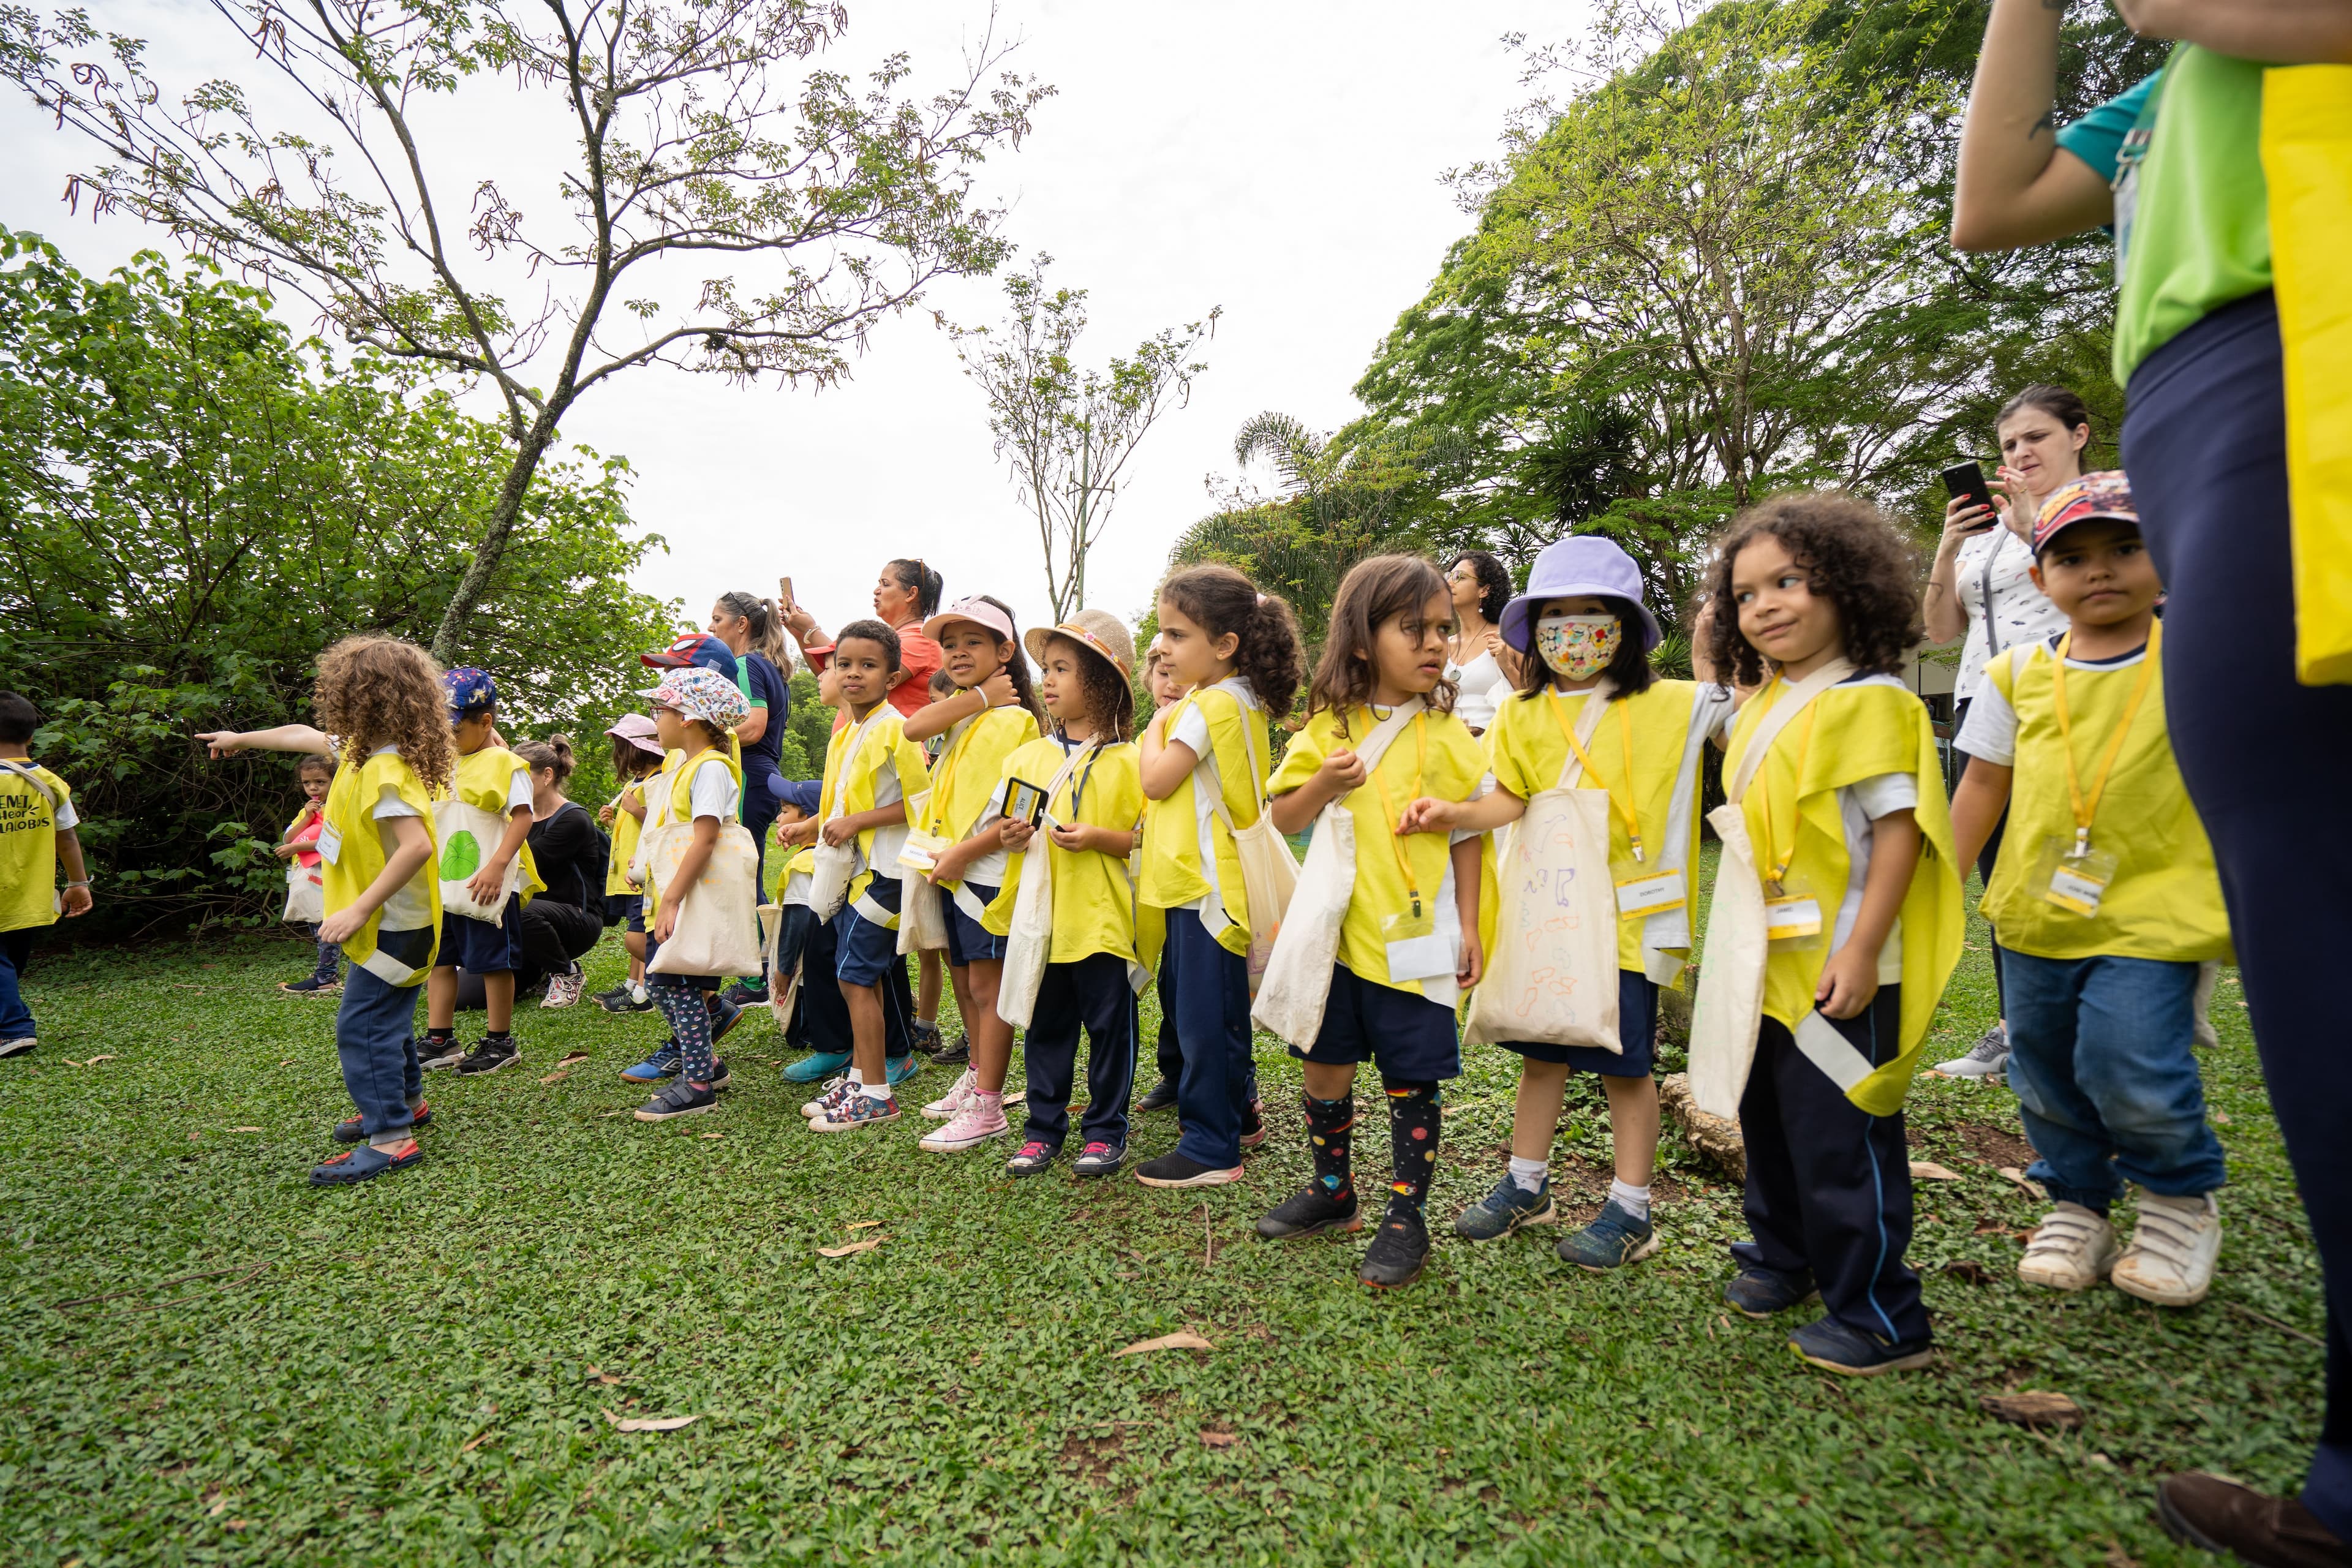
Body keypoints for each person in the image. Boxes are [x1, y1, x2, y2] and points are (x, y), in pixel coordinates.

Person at [1954, 4, 2352, 1551]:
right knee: (2301, 899)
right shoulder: (2171, 90)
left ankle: (2180, 1209)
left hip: (2301, 332)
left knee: (2298, 898)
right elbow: (1991, 201)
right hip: (2204, 395)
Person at [1697, 493, 1964, 1376]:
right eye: (1745, 594)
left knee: (1843, 1141)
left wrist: (1859, 949)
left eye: (1790, 581)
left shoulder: (1875, 702)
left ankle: (1885, 1316)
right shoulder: (1765, 702)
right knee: (1768, 1125)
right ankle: (1783, 1259)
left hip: (1843, 969)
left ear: (1847, 584)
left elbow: (1900, 833)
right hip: (1766, 963)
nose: (1765, 605)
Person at [1949, 474, 2230, 1305]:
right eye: (2072, 557)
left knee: (2130, 1059)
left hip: (2157, 912)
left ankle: (2179, 1198)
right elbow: (1980, 789)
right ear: (2041, 579)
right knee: (2042, 1070)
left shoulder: (2200, 657)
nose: (2099, 571)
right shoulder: (2014, 675)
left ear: (2165, 560)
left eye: (2124, 548)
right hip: (2034, 912)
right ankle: (2078, 1201)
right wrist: (1938, 891)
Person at [1417, 537, 1733, 1268]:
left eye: (1593, 612)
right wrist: (1453, 813)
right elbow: (1507, 799)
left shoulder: (1668, 704)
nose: (1573, 629)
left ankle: (1631, 1208)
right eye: (1556, 614)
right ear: (1534, 627)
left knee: (1626, 1066)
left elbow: (1735, 718)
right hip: (1549, 919)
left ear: (1624, 625)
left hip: (1627, 924)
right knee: (1542, 1056)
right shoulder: (1521, 714)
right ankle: (1527, 1185)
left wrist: (1713, 642)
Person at [1254, 556, 1493, 1289]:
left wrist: (1474, 926)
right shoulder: (1329, 727)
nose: (1433, 644)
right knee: (1325, 1070)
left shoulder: (1450, 733)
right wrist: (1325, 780)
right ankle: (1334, 1192)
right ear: (1362, 639)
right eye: (1411, 628)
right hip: (1335, 945)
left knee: (1410, 1079)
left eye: (1442, 630)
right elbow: (1284, 814)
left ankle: (1405, 1213)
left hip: (1416, 944)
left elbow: (1469, 834)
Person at [196, 638, 449, 1184]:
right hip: (383, 924)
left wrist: (358, 910)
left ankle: (391, 1139)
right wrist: (242, 738)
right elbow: (300, 736)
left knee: (363, 1027)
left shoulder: (387, 773)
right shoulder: (359, 750)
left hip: (393, 926)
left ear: (364, 698)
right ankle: (407, 1103)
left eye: (338, 692)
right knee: (388, 1019)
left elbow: (417, 848)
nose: (329, 703)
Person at [1924, 386, 2086, 1079]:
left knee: (2064, 853)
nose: (2020, 453)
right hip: (1979, 700)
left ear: (2078, 436)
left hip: (2069, 693)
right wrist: (1947, 548)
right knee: (1996, 865)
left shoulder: (2099, 510)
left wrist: (2032, 528)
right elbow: (1938, 630)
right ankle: (2012, 1026)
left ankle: (2083, 1023)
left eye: (2036, 438)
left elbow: (2113, 588)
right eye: (2010, 444)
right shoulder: (1985, 533)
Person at [1133, 564, 1303, 1189]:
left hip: (1205, 887)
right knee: (1220, 1015)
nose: (1166, 650)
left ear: (1225, 644)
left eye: (1177, 636)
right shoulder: (1243, 699)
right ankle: (1238, 1117)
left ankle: (1211, 1145)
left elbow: (1154, 780)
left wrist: (1154, 727)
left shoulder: (1207, 707)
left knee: (1205, 1020)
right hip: (1212, 884)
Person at [991, 609, 1156, 1178]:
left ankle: (1107, 1131)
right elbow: (1009, 832)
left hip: (1105, 922)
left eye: (1063, 668)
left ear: (1104, 681)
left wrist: (1101, 839)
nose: (1049, 681)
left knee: (1111, 1030)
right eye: (1047, 668)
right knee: (1047, 1028)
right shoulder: (1028, 758)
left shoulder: (1136, 763)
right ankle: (1042, 1132)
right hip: (1044, 924)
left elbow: (1147, 842)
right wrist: (1012, 837)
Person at [903, 596, 1043, 1153]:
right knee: (965, 980)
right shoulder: (970, 711)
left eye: (974, 643)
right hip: (951, 869)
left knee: (988, 988)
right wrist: (980, 696)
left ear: (1005, 651)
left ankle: (989, 1103)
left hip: (984, 870)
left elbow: (1022, 809)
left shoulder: (1019, 720)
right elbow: (914, 727)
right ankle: (980, 1077)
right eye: (951, 644)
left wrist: (965, 853)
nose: (958, 653)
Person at [783, 619, 932, 1131]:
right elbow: (843, 803)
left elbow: (922, 805)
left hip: (887, 874)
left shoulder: (895, 726)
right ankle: (862, 1075)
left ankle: (875, 1092)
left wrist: (856, 823)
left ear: (892, 677)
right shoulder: (850, 731)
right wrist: (812, 826)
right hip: (858, 873)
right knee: (853, 973)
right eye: (844, 664)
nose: (853, 674)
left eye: (868, 665)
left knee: (854, 974)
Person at [628, 668, 753, 1121]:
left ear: (688, 718)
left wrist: (673, 898)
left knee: (674, 982)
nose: (654, 719)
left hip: (693, 897)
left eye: (659, 710)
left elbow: (704, 839)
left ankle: (699, 1083)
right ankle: (709, 1064)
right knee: (666, 983)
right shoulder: (681, 768)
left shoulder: (712, 769)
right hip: (675, 893)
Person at [420, 669, 540, 1077]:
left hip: (486, 882)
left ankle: (499, 1041)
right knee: (441, 959)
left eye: (453, 729)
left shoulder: (506, 764)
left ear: (485, 722)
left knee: (492, 961)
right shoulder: (445, 762)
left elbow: (523, 818)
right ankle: (440, 1038)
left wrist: (497, 865)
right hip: (446, 884)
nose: (446, 737)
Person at [704, 591, 793, 1007]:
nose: (711, 628)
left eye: (717, 619)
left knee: (743, 877)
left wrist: (704, 736)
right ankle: (762, 971)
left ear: (742, 625)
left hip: (748, 774)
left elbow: (753, 727)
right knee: (748, 871)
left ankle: (757, 979)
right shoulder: (770, 666)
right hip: (761, 777)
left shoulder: (744, 664)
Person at [0, 691, 92, 1057]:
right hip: (32, 894)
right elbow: (67, 839)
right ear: (31, 736)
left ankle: (15, 1028)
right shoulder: (51, 783)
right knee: (9, 962)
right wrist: (78, 884)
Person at [784, 558, 948, 718]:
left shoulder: (918, 638)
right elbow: (831, 675)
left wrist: (810, 631)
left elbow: (845, 676)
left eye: (886, 584)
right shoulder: (899, 638)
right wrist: (802, 636)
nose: (877, 590)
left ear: (911, 594)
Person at [513, 736, 606, 1009]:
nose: (512, 786)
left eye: (521, 776)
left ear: (547, 776)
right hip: (530, 921)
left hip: (576, 917)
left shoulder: (573, 819)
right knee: (468, 998)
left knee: (518, 909)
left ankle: (566, 972)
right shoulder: (517, 816)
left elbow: (526, 864)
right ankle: (542, 967)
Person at [1136, 643, 1188, 1115]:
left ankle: (1235, 1087)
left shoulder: (1191, 731)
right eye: (1160, 673)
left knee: (1195, 988)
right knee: (1169, 982)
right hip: (1153, 880)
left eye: (1177, 673)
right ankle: (1174, 1074)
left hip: (1192, 879)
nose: (1169, 683)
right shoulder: (1143, 741)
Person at [594, 715, 666, 1013]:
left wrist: (636, 811)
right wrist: (615, 821)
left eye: (621, 748)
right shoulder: (634, 783)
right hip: (628, 872)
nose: (618, 756)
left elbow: (659, 822)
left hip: (643, 874)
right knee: (635, 928)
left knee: (639, 934)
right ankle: (633, 984)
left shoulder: (656, 781)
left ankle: (647, 989)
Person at [275, 753, 344, 995]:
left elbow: (331, 839)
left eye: (320, 782)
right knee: (317, 924)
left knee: (325, 923)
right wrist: (306, 817)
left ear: (334, 781)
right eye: (307, 783)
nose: (313, 788)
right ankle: (327, 974)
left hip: (328, 874)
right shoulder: (311, 809)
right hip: (308, 872)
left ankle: (326, 977)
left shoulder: (338, 807)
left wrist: (295, 848)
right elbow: (289, 837)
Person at [1443, 549, 1516, 736]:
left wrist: (1507, 665)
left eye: (1459, 577)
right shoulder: (1440, 645)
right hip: (1443, 754)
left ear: (1484, 590)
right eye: (1449, 576)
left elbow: (1535, 699)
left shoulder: (1509, 637)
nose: (1449, 583)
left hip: (1493, 754)